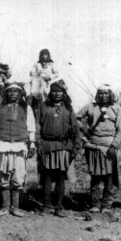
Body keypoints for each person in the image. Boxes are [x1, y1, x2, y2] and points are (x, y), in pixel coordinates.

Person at [35, 82, 81, 217]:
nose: (57, 94)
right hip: (47, 145)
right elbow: (38, 126)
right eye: (54, 91)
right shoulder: (43, 106)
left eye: (59, 91)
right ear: (50, 92)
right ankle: (46, 205)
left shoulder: (68, 108)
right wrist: (38, 143)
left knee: (61, 177)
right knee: (47, 176)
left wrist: (76, 145)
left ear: (64, 93)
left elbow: (75, 128)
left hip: (63, 146)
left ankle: (59, 206)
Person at [77, 84, 121, 213]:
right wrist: (83, 129)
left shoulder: (117, 108)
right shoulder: (90, 106)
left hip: (109, 145)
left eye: (106, 93)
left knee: (109, 176)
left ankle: (106, 205)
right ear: (97, 95)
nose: (104, 96)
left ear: (110, 95)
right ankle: (95, 204)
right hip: (92, 145)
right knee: (95, 176)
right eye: (101, 93)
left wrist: (113, 145)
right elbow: (76, 119)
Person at [0, 82, 36, 217]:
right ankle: (5, 207)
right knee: (3, 174)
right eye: (10, 91)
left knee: (18, 175)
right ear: (6, 93)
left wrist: (32, 144)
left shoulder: (27, 108)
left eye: (16, 91)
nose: (12, 94)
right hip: (3, 143)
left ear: (20, 94)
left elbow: (31, 127)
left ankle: (15, 207)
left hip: (20, 145)